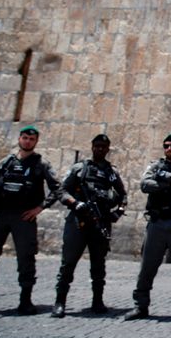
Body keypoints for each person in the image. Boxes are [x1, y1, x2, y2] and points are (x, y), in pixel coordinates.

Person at [0, 125, 61, 315]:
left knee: (26, 258)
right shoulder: (6, 163)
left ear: (36, 142)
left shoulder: (41, 164)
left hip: (23, 217)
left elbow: (57, 189)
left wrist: (39, 208)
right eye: (25, 138)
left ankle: (25, 301)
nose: (27, 141)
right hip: (0, 216)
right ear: (19, 139)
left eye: (31, 139)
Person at [124, 133, 171, 322]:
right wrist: (169, 184)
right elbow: (145, 184)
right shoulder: (155, 165)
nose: (169, 149)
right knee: (147, 267)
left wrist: (165, 177)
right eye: (166, 146)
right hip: (157, 224)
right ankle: (140, 306)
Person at [51, 134, 127, 318]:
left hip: (100, 223)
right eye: (97, 146)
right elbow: (61, 190)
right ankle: (60, 302)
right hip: (79, 221)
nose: (100, 149)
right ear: (92, 147)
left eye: (103, 147)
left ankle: (97, 301)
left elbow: (123, 195)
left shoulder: (111, 172)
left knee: (98, 265)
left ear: (108, 149)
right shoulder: (80, 169)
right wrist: (74, 203)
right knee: (68, 263)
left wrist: (118, 211)